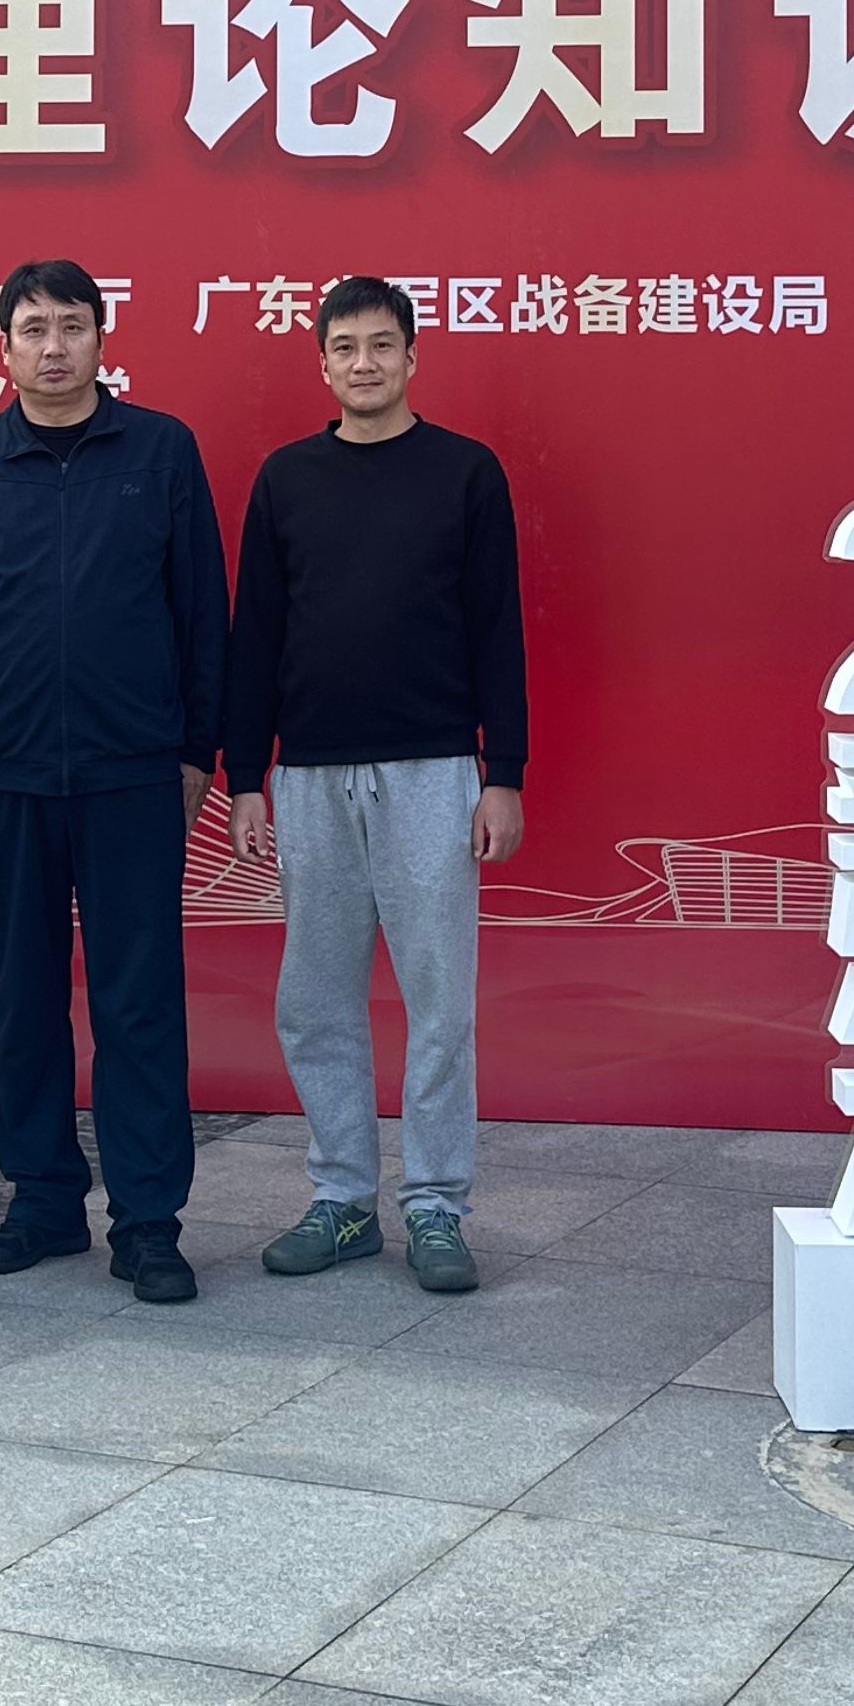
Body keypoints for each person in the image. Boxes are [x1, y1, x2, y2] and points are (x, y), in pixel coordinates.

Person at [0, 259, 230, 1306]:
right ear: (3, 346)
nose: (53, 347)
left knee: (139, 1002)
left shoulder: (160, 450)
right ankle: (44, 1202)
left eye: (72, 326)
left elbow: (201, 608)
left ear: (102, 337)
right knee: (25, 997)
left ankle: (147, 1221)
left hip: (131, 768)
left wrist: (197, 752)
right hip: (4, 771)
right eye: (33, 329)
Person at [226, 277, 529, 1296]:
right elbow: (255, 634)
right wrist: (245, 775)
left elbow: (498, 629)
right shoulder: (287, 478)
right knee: (314, 1000)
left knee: (440, 1001)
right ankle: (344, 1198)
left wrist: (503, 773)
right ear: (321, 363)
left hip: (433, 770)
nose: (365, 363)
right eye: (346, 346)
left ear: (411, 357)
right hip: (309, 772)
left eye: (383, 345)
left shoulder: (465, 472)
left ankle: (437, 1204)